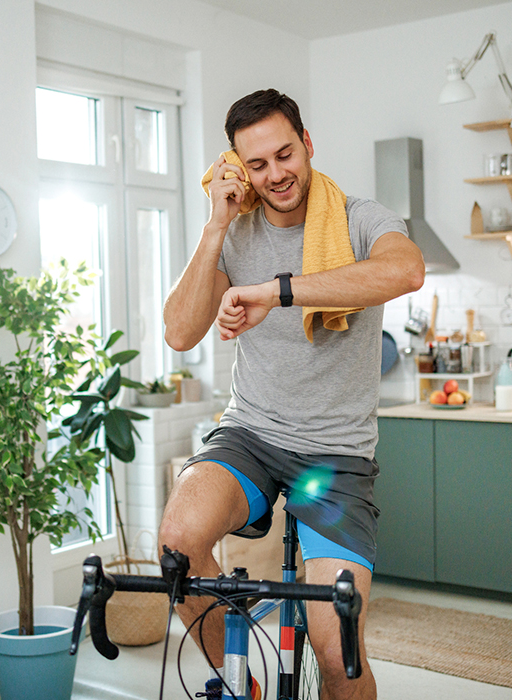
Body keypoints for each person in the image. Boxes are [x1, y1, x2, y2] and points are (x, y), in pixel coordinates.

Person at [160, 89, 425, 700]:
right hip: (250, 436)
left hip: (335, 455)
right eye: (257, 165)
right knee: (179, 540)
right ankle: (240, 682)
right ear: (238, 169)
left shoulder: (360, 219)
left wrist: (278, 290)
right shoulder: (236, 230)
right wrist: (217, 224)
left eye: (285, 155)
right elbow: (179, 331)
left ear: (307, 145)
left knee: (339, 654)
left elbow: (405, 270)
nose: (275, 174)